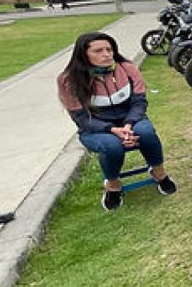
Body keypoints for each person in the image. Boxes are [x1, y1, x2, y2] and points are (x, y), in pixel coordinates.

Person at [57, 32, 177, 211]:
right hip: (95, 128)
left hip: (130, 120)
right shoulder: (68, 80)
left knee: (146, 133)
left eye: (109, 49)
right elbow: (81, 118)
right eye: (98, 51)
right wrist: (113, 130)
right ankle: (112, 185)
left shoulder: (127, 68)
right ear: (84, 54)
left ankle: (159, 174)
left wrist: (127, 126)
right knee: (112, 146)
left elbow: (139, 102)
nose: (106, 54)